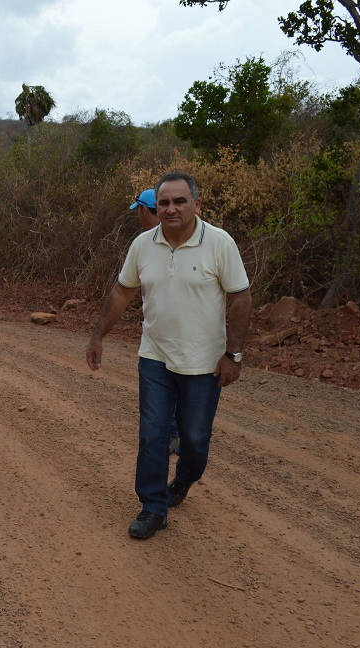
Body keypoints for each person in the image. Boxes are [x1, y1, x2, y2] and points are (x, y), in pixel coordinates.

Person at [87, 172, 251, 538]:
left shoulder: (220, 244)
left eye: (180, 201)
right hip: (155, 357)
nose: (171, 209)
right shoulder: (143, 245)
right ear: (155, 207)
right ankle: (153, 507)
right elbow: (121, 293)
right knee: (154, 433)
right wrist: (98, 336)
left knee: (193, 439)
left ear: (197, 204)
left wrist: (233, 355)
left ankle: (184, 480)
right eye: (164, 203)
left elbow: (240, 298)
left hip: (204, 364)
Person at [130, 189, 180, 457]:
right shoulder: (148, 242)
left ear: (143, 210)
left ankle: (173, 435)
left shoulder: (145, 242)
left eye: (138, 210)